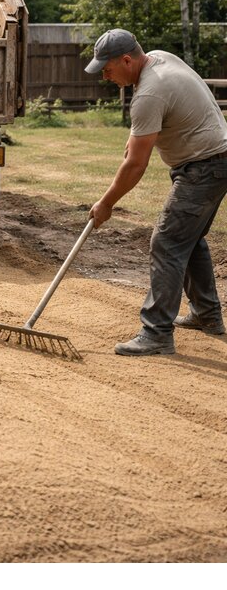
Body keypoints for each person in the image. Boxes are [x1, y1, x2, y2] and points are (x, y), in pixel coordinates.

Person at [85, 28, 227, 356]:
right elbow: (143, 137)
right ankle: (206, 314)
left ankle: (156, 333)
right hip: (216, 159)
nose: (105, 76)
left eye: (107, 69)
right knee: (188, 239)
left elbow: (136, 166)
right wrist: (133, 141)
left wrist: (106, 203)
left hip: (203, 168)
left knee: (167, 243)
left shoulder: (149, 93)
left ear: (127, 60)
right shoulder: (159, 59)